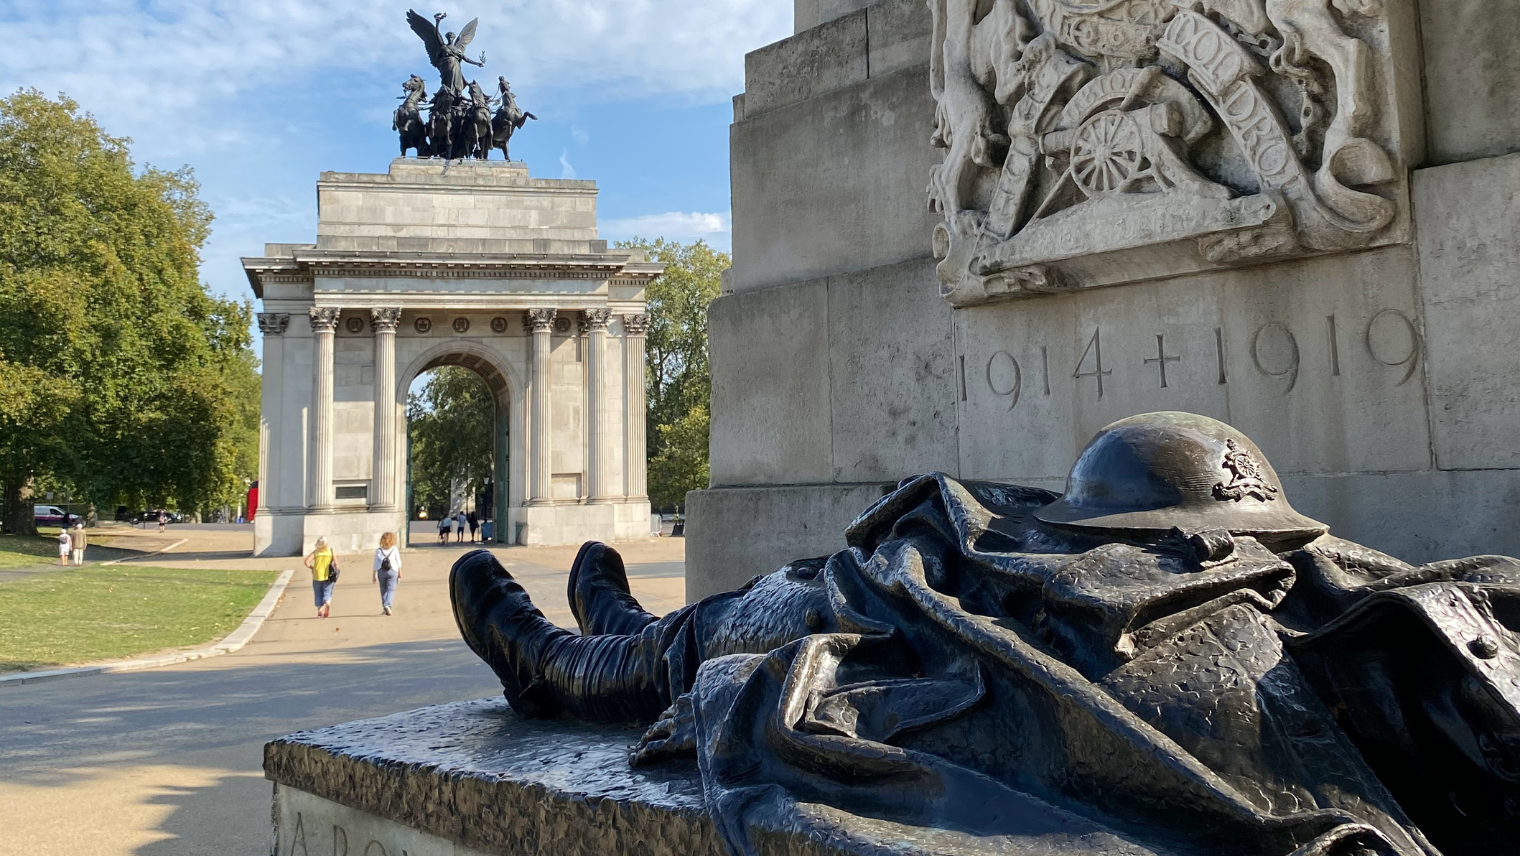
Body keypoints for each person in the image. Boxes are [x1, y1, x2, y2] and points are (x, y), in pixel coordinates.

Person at [450, 412, 1520, 856]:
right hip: (1204, 586)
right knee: (852, 576)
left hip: (1057, 622)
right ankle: (620, 633)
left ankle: (575, 663)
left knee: (821, 597)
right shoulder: (1435, 622)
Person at [303, 537, 336, 619]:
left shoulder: (316, 553)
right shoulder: (331, 551)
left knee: (318, 593)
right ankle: (327, 602)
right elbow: (336, 563)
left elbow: (306, 562)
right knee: (327, 591)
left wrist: (312, 568)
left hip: (317, 575)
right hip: (328, 575)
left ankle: (319, 612)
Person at [373, 532, 403, 616]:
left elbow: (375, 563)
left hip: (381, 571)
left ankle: (385, 607)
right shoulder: (394, 549)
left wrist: (373, 575)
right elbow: (398, 561)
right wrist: (400, 571)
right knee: (391, 589)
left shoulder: (379, 550)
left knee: (383, 590)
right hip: (392, 570)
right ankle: (388, 605)